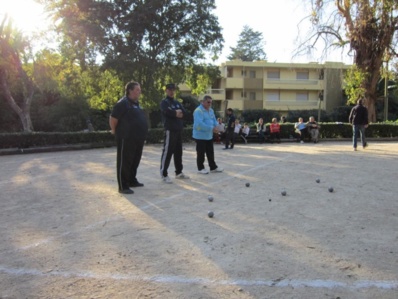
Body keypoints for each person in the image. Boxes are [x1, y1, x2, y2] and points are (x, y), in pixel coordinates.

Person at [109, 81, 148, 194]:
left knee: (135, 160)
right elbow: (113, 119)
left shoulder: (136, 103)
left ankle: (132, 180)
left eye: (139, 90)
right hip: (126, 137)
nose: (139, 92)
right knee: (124, 161)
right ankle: (123, 186)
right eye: (137, 90)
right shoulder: (122, 103)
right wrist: (115, 131)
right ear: (130, 90)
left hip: (138, 138)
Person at [159, 83, 190, 183]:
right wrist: (176, 113)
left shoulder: (177, 102)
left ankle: (179, 172)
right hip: (170, 130)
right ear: (166, 90)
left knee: (178, 152)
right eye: (170, 89)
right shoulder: (164, 102)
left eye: (173, 90)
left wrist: (176, 113)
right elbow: (167, 112)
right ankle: (164, 174)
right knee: (167, 152)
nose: (172, 91)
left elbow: (184, 113)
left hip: (178, 130)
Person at [192, 95, 224, 174]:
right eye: (208, 102)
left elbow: (214, 120)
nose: (210, 104)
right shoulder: (198, 111)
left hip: (209, 135)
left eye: (211, 102)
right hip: (200, 135)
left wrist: (216, 126)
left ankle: (213, 167)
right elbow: (199, 124)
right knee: (201, 153)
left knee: (210, 152)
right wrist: (211, 128)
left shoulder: (211, 110)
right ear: (203, 102)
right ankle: (200, 168)